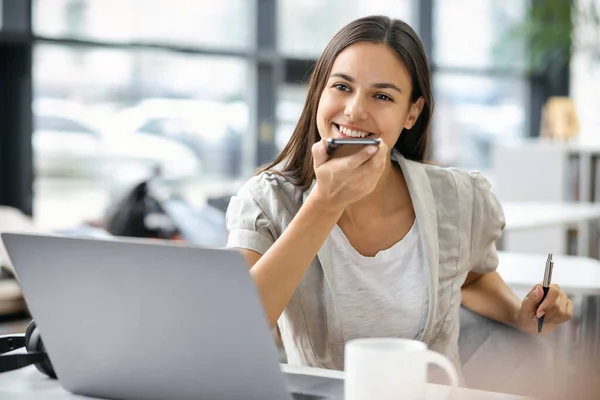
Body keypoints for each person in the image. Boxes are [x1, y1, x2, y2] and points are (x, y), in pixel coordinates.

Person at [225, 15, 573, 388]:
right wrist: (325, 203)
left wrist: (520, 314)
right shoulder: (268, 200)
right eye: (342, 86)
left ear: (412, 112)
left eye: (382, 96)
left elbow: (469, 279)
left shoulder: (456, 198)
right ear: (319, 93)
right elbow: (236, 328)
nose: (355, 110)